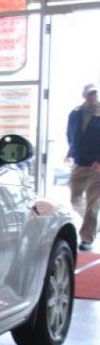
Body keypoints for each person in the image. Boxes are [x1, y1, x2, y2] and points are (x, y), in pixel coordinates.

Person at [67, 83, 100, 251]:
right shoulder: (75, 113)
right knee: (75, 199)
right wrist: (70, 151)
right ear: (84, 95)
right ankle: (94, 224)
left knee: (92, 204)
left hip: (97, 166)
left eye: (94, 94)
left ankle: (87, 237)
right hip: (79, 162)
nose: (92, 97)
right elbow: (71, 134)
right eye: (89, 94)